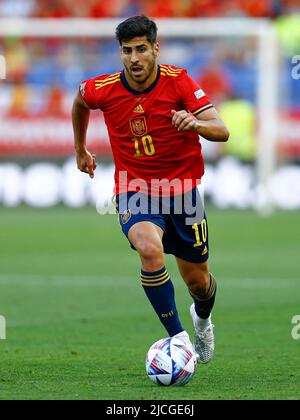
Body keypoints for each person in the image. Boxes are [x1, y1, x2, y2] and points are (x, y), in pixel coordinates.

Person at [72, 15, 229, 364]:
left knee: (198, 283)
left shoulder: (180, 82)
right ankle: (179, 340)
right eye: (126, 51)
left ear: (155, 48)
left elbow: (222, 130)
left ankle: (201, 321)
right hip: (136, 189)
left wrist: (196, 122)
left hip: (183, 193)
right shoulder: (105, 88)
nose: (134, 58)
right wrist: (80, 148)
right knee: (148, 248)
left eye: (141, 49)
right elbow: (81, 101)